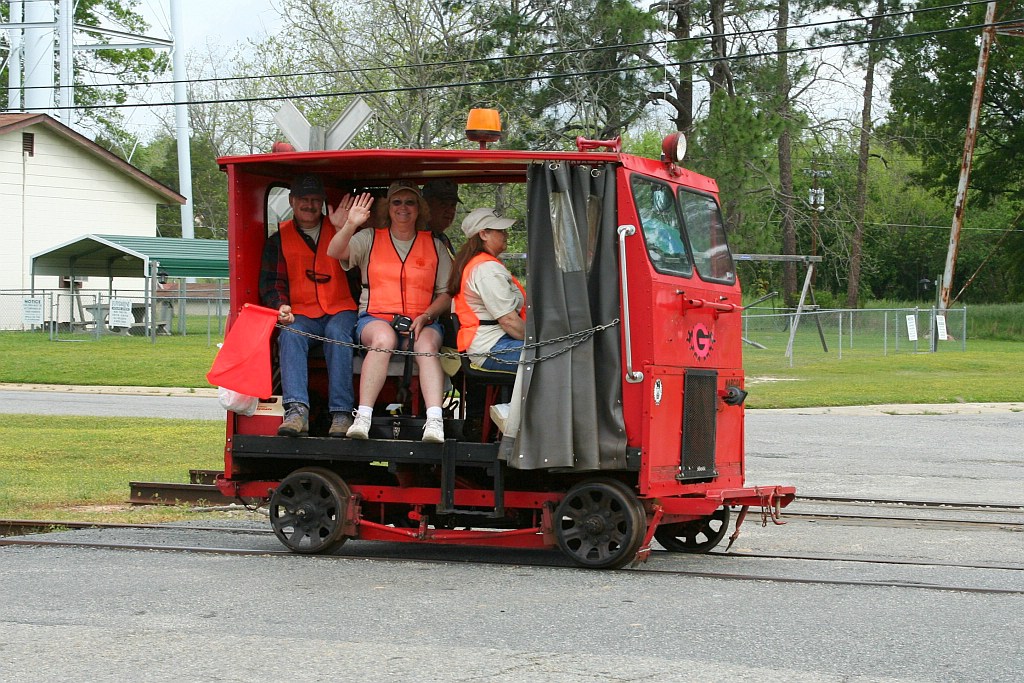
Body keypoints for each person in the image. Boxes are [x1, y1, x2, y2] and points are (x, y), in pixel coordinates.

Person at [326, 180, 453, 443]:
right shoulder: (369, 238)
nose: (403, 208)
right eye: (397, 202)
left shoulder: (435, 244)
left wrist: (427, 316)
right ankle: (363, 417)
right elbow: (335, 251)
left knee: (427, 343)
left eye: (410, 202)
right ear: (388, 207)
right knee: (383, 340)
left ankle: (434, 421)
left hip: (422, 320)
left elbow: (446, 294)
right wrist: (350, 224)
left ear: (419, 209)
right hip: (376, 318)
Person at [259, 173, 358, 438]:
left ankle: (341, 414)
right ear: (292, 201)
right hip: (302, 313)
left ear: (323, 203)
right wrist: (281, 306)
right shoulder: (278, 239)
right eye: (304, 199)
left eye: (315, 200)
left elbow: (359, 272)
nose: (310, 205)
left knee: (338, 335)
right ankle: (296, 411)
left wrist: (342, 229)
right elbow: (271, 282)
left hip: (342, 309)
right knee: (290, 334)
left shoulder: (341, 229)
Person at [448, 207, 525, 371]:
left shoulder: (480, 264)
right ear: (483, 234)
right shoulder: (487, 270)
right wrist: (541, 339)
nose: (506, 234)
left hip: (492, 343)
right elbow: (509, 322)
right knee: (559, 355)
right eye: (500, 230)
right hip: (493, 346)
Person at [422, 179, 460, 258]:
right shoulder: (416, 238)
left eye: (453, 205)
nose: (451, 210)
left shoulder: (442, 238)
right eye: (443, 204)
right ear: (426, 205)